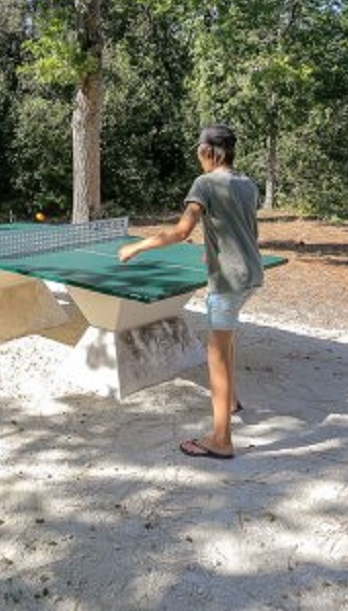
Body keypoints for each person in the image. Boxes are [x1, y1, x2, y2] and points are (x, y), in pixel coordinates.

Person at [118, 123, 264, 461]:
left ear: (210, 152)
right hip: (251, 275)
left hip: (228, 280)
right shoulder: (248, 184)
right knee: (225, 343)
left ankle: (221, 440)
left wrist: (137, 247)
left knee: (215, 353)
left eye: (199, 151)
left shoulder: (206, 183)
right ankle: (231, 401)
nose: (198, 158)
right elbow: (243, 229)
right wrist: (215, 250)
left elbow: (182, 231)